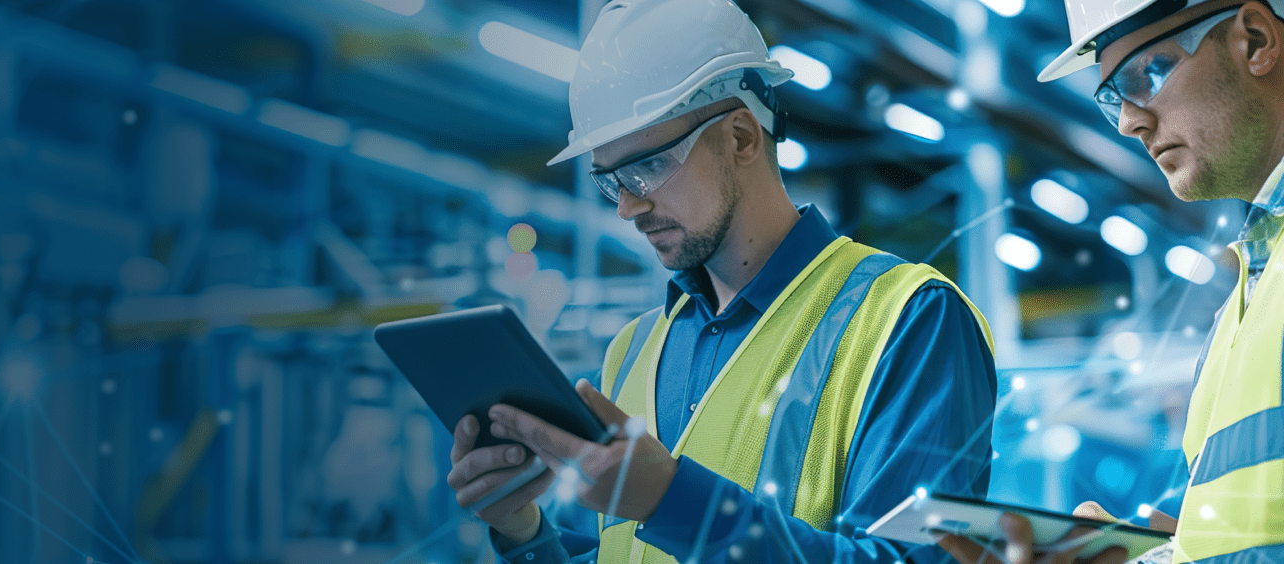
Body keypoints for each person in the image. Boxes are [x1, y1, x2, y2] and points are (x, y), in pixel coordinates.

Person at [444, 0, 1000, 562]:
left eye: (648, 168)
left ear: (740, 137)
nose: (629, 208)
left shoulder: (907, 319)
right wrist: (523, 531)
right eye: (613, 182)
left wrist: (675, 503)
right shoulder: (631, 354)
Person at [937, 1, 1284, 563]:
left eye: (1148, 73)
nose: (1128, 121)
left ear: (1254, 39)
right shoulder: (1246, 295)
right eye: (1112, 98)